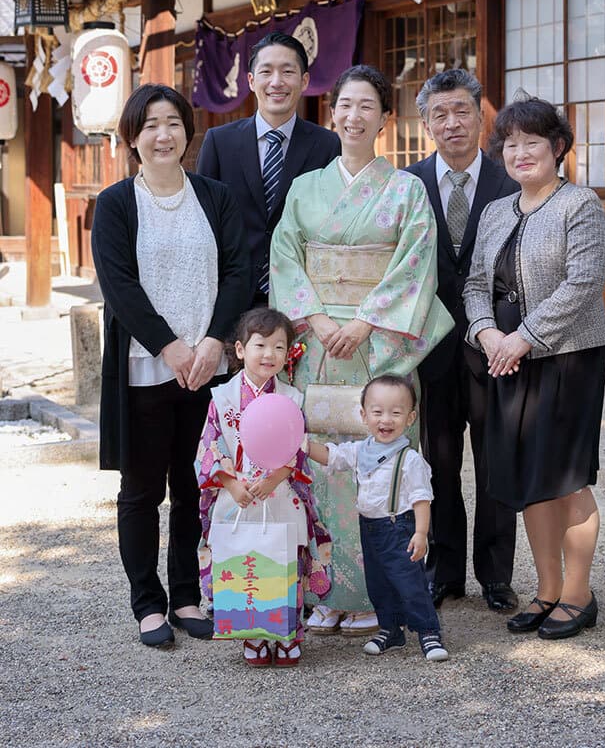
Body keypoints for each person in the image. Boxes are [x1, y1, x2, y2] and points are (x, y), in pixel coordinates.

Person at [270, 64, 453, 636]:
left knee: (385, 473)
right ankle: (324, 591)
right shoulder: (305, 188)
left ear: (385, 119)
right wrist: (319, 318)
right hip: (319, 342)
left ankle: (382, 596)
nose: (353, 115)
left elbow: (417, 266)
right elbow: (285, 256)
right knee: (322, 465)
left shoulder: (406, 190)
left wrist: (369, 320)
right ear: (333, 114)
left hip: (380, 352)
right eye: (344, 105)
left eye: (367, 106)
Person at [91, 84, 251, 648]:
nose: (164, 135)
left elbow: (238, 271)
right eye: (150, 125)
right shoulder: (114, 204)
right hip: (145, 368)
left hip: (209, 366)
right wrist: (170, 347)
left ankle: (186, 595)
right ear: (133, 138)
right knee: (141, 488)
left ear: (188, 131)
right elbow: (120, 287)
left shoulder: (214, 196)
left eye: (174, 123)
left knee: (193, 485)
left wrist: (212, 343)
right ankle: (147, 604)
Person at [463, 96, 605, 640]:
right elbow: (475, 284)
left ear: (558, 148)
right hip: (505, 358)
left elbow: (584, 282)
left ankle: (579, 594)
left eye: (532, 142)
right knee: (528, 477)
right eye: (509, 143)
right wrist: (487, 333)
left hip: (566, 358)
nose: (519, 152)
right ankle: (547, 590)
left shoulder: (581, 204)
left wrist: (523, 338)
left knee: (565, 478)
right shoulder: (497, 210)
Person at [407, 68, 520, 614]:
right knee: (438, 461)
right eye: (439, 114)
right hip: (430, 348)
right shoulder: (407, 186)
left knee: (497, 460)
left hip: (494, 347)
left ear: (481, 116)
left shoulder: (510, 182)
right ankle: (444, 571)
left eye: (462, 111)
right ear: (425, 123)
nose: (452, 123)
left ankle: (496, 575)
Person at [195, 307, 331, 667]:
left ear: (289, 354)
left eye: (279, 347)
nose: (269, 354)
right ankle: (252, 634)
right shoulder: (222, 398)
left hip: (281, 491)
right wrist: (230, 482)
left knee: (285, 561)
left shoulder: (292, 398)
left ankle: (288, 633)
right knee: (246, 563)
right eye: (260, 345)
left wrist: (275, 477)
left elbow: (299, 448)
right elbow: (209, 448)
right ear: (240, 350)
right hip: (235, 494)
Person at [306, 374, 448, 661]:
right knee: (378, 582)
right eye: (377, 412)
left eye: (396, 413)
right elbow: (333, 456)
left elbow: (422, 499)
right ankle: (390, 628)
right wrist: (303, 445)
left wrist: (421, 534)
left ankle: (428, 632)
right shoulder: (362, 451)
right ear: (363, 415)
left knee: (409, 582)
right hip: (370, 527)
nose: (386, 420)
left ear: (410, 418)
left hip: (400, 527)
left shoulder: (409, 459)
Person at [197, 31, 341, 304]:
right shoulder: (219, 141)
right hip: (231, 296)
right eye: (266, 72)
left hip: (303, 296)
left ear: (304, 81)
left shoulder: (327, 145)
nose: (277, 82)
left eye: (288, 71)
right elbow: (202, 222)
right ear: (251, 81)